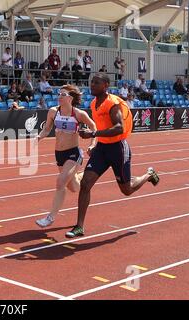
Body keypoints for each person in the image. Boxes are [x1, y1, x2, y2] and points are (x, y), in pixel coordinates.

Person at [66, 73, 160, 238]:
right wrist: (94, 140)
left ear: (106, 86)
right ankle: (79, 226)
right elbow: (100, 125)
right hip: (102, 149)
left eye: (96, 83)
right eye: (91, 82)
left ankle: (149, 175)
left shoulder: (112, 103)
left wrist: (93, 133)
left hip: (118, 149)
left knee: (127, 189)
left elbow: (119, 128)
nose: (92, 85)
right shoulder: (94, 103)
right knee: (86, 184)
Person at [36, 85, 97, 228]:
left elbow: (94, 127)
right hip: (59, 154)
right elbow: (47, 129)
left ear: (70, 98)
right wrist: (39, 136)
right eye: (59, 93)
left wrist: (92, 144)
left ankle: (50, 217)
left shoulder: (79, 114)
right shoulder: (53, 112)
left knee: (60, 182)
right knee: (73, 187)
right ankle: (81, 176)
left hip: (73, 153)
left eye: (63, 94)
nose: (59, 96)